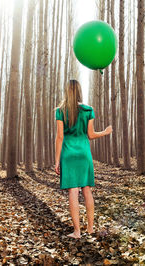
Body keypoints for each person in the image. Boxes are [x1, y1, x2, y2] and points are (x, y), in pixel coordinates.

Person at [54, 79, 113, 239]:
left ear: (66, 91)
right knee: (87, 189)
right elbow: (91, 135)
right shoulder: (88, 110)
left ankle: (77, 232)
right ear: (79, 91)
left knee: (73, 190)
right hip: (84, 154)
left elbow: (60, 137)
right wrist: (105, 132)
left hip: (68, 154)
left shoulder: (60, 111)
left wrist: (57, 160)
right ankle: (90, 228)